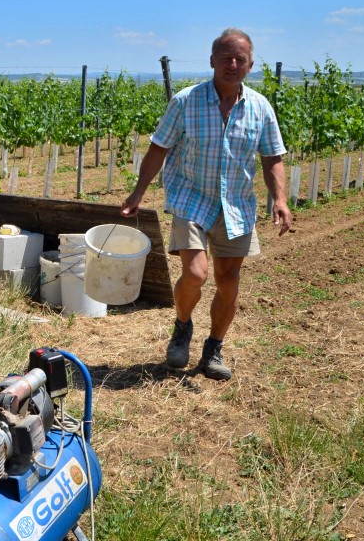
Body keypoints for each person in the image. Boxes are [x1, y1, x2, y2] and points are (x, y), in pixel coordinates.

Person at [120, 29, 292, 380]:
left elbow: (273, 157)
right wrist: (138, 191)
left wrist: (280, 199)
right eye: (225, 58)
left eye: (239, 59)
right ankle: (182, 325)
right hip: (191, 198)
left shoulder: (260, 107)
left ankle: (213, 348)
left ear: (250, 65)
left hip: (237, 205)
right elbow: (159, 149)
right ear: (212, 61)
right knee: (196, 273)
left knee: (229, 281)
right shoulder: (186, 101)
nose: (232, 64)